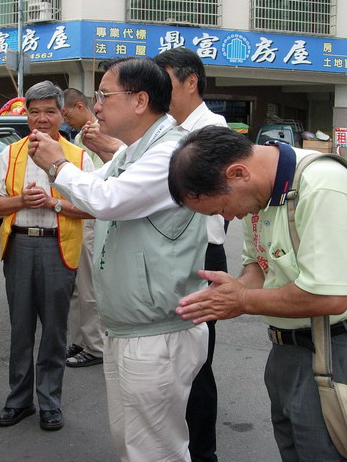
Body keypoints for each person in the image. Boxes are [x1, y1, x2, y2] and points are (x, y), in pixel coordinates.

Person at [168, 126, 347, 461]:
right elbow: (259, 266)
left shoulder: (321, 185)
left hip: (343, 350)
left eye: (222, 209)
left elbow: (328, 297)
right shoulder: (260, 194)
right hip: (288, 350)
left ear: (237, 173)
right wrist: (236, 289)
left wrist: (241, 300)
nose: (229, 217)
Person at [29, 57, 209, 461]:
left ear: (139, 100)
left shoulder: (172, 153)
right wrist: (61, 169)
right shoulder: (134, 153)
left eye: (104, 96)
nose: (96, 106)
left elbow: (108, 199)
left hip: (157, 332)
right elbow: (93, 187)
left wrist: (58, 164)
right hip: (130, 328)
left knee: (155, 450)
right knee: (131, 443)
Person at [0, 81, 94, 431]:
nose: (42, 119)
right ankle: (18, 400)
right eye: (35, 112)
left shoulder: (78, 157)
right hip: (19, 246)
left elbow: (93, 207)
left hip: (58, 247)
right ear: (26, 115)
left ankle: (49, 402)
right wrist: (21, 201)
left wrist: (53, 203)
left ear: (62, 114)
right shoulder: (10, 154)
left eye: (49, 111)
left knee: (55, 330)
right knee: (20, 328)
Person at [154, 46, 228, 462]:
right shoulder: (166, 128)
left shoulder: (211, 131)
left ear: (191, 82)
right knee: (168, 360)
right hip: (169, 254)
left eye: (165, 83)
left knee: (196, 363)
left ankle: (203, 454)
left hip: (202, 257)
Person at [61, 88, 107, 368]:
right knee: (77, 286)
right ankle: (81, 339)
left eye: (66, 114)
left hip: (91, 215)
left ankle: (95, 345)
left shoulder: (99, 133)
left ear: (80, 106)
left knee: (88, 284)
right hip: (77, 213)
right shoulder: (79, 137)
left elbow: (100, 180)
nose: (65, 120)